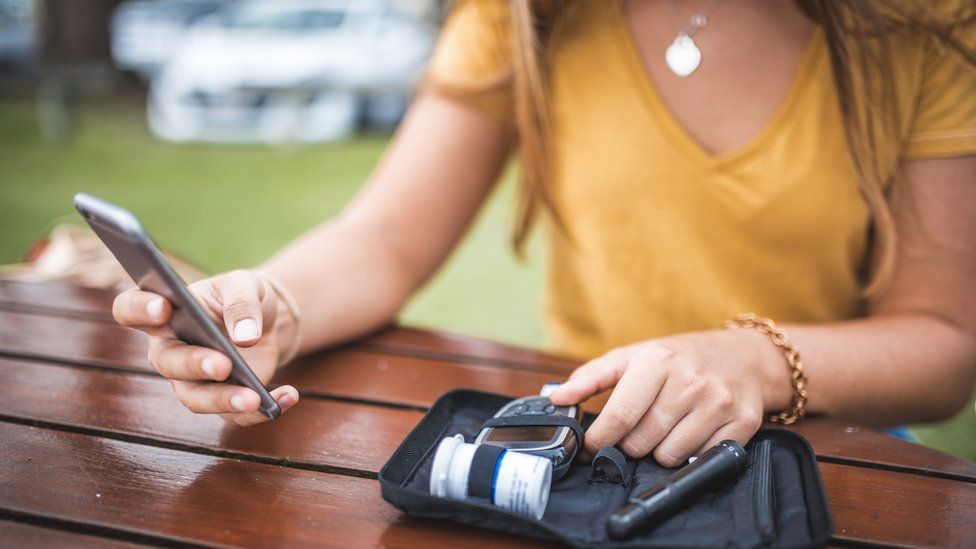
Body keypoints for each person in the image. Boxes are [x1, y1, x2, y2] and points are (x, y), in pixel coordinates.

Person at [112, 0, 976, 467]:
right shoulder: (526, 13)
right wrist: (279, 305)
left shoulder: (924, 26)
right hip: (591, 446)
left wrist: (748, 360)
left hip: (827, 452)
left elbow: (944, 346)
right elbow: (386, 237)